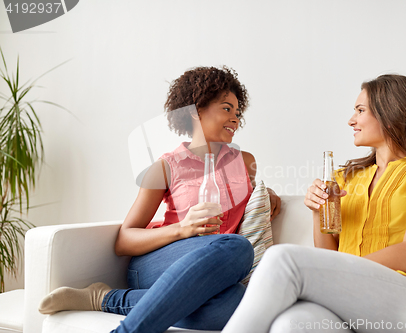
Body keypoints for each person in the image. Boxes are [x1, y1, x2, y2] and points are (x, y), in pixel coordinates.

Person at [38, 66, 281, 333]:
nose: (235, 118)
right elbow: (124, 240)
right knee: (237, 247)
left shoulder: (245, 162)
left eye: (237, 112)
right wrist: (182, 228)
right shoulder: (166, 167)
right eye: (226, 108)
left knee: (235, 302)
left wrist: (266, 196)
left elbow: (252, 201)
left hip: (211, 271)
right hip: (157, 263)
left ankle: (105, 298)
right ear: (195, 110)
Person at [222, 74, 406, 333]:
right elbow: (329, 257)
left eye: (360, 110)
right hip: (353, 299)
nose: (351, 120)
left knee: (283, 258)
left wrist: (341, 271)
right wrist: (317, 212)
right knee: (290, 324)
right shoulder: (346, 177)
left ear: (391, 113)